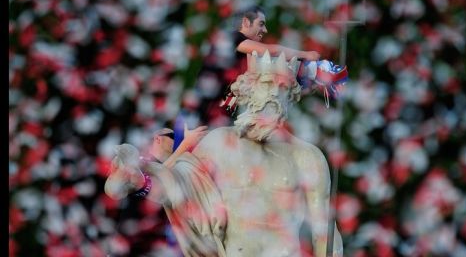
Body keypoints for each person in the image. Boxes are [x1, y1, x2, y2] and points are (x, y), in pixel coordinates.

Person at [104, 51, 343, 256]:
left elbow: (325, 233)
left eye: (282, 88)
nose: (274, 95)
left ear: (291, 96)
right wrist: (141, 180)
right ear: (248, 92)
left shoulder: (307, 158)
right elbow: (182, 189)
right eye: (266, 85)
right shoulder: (220, 143)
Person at [221, 5, 348, 114]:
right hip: (228, 100)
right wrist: (305, 54)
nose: (264, 30)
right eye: (261, 24)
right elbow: (271, 51)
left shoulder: (240, 47)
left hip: (237, 99)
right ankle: (319, 73)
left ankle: (319, 76)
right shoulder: (236, 39)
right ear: (246, 23)